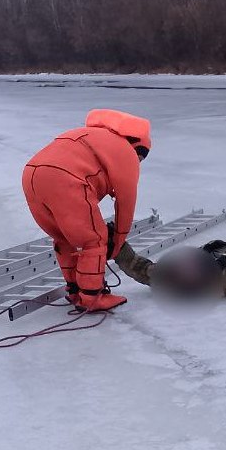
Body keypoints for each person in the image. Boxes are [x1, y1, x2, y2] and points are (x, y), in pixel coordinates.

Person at [22, 109, 151, 312]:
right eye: (141, 158)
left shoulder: (88, 135)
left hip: (32, 173)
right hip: (66, 179)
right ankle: (91, 298)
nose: (139, 163)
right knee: (94, 240)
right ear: (136, 145)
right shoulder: (125, 151)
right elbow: (126, 202)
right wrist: (117, 242)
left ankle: (74, 291)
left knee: (64, 238)